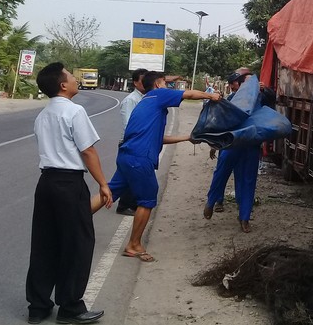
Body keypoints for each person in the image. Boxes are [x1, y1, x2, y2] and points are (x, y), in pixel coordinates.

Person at [92, 71, 220, 262]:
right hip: (139, 159)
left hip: (127, 156)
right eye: (165, 83)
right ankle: (133, 245)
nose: (168, 87)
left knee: (110, 190)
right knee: (147, 200)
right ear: (158, 85)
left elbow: (158, 138)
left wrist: (187, 137)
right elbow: (190, 94)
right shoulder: (158, 95)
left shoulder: (147, 102)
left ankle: (73, 223)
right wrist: (211, 96)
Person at [26, 63, 112, 325]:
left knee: (44, 244)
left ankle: (38, 307)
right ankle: (70, 307)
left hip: (46, 183)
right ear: (63, 85)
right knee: (77, 244)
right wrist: (103, 184)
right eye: (72, 77)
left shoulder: (42, 115)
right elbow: (88, 151)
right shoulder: (74, 111)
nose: (76, 80)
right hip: (69, 183)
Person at [203, 69, 275, 233]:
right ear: (239, 85)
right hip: (232, 144)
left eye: (252, 81)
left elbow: (273, 99)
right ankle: (211, 201)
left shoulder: (261, 98)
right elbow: (220, 123)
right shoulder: (231, 99)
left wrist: (266, 90)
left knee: (248, 181)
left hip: (251, 145)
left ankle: (244, 218)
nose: (251, 84)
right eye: (246, 81)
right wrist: (215, 145)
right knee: (221, 173)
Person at [114, 68, 148, 215]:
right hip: (130, 142)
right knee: (129, 176)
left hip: (139, 142)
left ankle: (132, 203)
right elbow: (129, 124)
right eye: (143, 80)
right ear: (135, 82)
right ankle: (123, 205)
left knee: (133, 175)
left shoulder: (145, 98)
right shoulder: (131, 100)